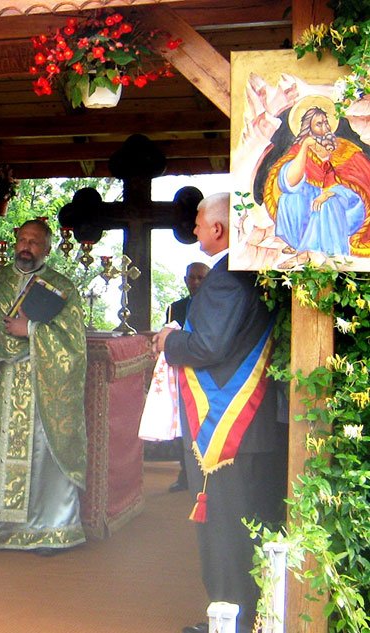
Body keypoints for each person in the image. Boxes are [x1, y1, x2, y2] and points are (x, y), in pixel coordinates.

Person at [153, 193, 287, 633]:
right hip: (256, 426)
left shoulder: (228, 277)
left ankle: (229, 619)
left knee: (226, 532)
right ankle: (250, 616)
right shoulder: (258, 272)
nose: (192, 230)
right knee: (253, 524)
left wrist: (168, 341)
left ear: (218, 229)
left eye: (197, 222)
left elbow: (208, 346)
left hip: (229, 430)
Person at [0, 218, 87, 553]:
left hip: (40, 383)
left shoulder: (62, 287)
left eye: (34, 242)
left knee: (40, 455)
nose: (26, 247)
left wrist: (32, 330)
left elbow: (74, 344)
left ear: (48, 248)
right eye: (22, 239)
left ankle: (47, 529)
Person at [263, 101, 370, 259]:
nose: (325, 128)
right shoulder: (301, 150)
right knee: (289, 198)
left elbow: (363, 182)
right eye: (319, 124)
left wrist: (331, 192)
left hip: (349, 204)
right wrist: (305, 146)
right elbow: (289, 184)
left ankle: (311, 253)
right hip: (318, 203)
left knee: (327, 203)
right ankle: (302, 244)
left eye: (326, 123)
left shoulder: (345, 149)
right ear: (309, 128)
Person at [164, 261, 210, 493]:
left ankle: (208, 476)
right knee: (184, 426)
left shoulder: (217, 307)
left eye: (201, 278)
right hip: (181, 374)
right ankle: (186, 474)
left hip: (208, 375)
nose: (195, 282)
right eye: (191, 278)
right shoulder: (175, 308)